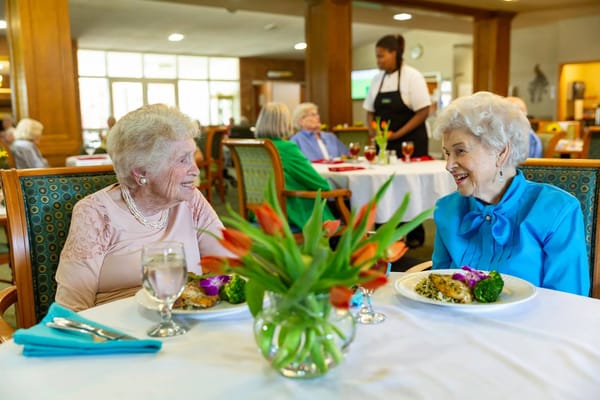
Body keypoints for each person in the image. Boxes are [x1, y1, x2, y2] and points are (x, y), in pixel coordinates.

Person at [55, 104, 228, 311]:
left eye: (192, 156)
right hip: (119, 334)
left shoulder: (192, 201)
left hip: (187, 323)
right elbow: (71, 308)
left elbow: (229, 268)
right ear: (141, 174)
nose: (195, 169)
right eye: (183, 160)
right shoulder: (95, 213)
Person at [431, 91, 589, 296]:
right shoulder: (447, 210)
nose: (449, 165)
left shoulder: (558, 211)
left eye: (460, 151)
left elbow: (569, 301)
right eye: (446, 153)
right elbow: (437, 290)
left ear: (501, 152)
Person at [255, 102, 336, 228]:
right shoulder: (286, 148)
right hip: (289, 211)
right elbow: (321, 184)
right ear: (285, 123)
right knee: (340, 203)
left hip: (259, 209)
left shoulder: (255, 146)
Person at [363, 34, 431, 158]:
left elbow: (423, 111)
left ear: (393, 53)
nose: (378, 61)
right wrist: (372, 132)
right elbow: (370, 111)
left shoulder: (412, 76)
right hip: (384, 146)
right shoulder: (376, 80)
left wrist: (397, 134)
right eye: (377, 57)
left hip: (410, 145)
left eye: (381, 56)